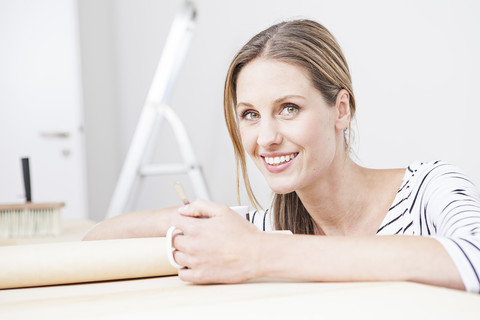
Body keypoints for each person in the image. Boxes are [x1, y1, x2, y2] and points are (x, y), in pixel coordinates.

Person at [84, 19, 480, 293]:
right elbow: (96, 241)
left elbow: (474, 259)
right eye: (250, 115)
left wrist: (257, 254)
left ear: (341, 110)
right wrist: (189, 220)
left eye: (288, 108)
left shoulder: (430, 189)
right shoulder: (270, 226)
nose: (267, 137)